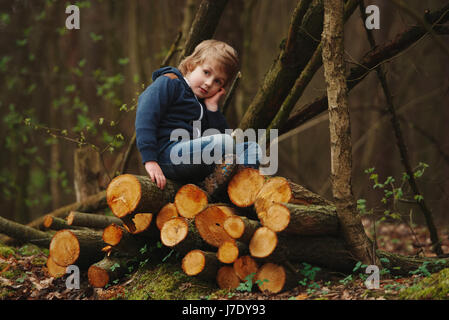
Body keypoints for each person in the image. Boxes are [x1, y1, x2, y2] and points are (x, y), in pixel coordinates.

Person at [135, 39, 260, 190]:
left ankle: (236, 191)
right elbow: (145, 116)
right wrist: (150, 160)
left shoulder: (202, 104)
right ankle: (226, 187)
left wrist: (212, 108)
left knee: (252, 148)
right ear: (191, 65)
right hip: (167, 155)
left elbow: (221, 142)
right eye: (206, 72)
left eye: (218, 81)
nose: (208, 83)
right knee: (225, 143)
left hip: (192, 160)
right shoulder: (170, 82)